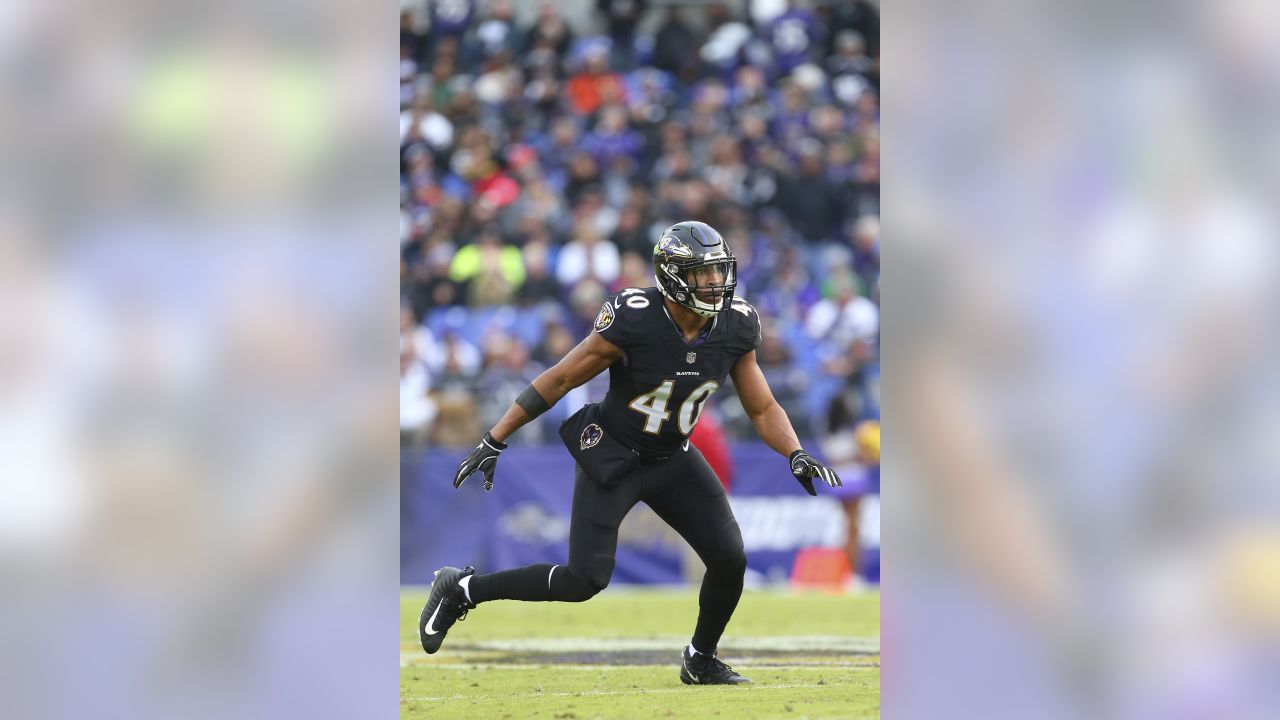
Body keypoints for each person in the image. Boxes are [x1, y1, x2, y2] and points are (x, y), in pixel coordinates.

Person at [418, 221, 843, 685]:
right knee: (584, 581)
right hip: (615, 457)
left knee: (729, 558)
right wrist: (494, 437)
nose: (715, 283)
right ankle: (462, 588)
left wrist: (795, 452)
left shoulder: (736, 325)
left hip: (673, 457)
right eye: (702, 274)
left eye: (719, 271)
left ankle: (700, 660)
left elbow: (762, 407)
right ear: (673, 276)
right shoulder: (635, 315)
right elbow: (562, 377)